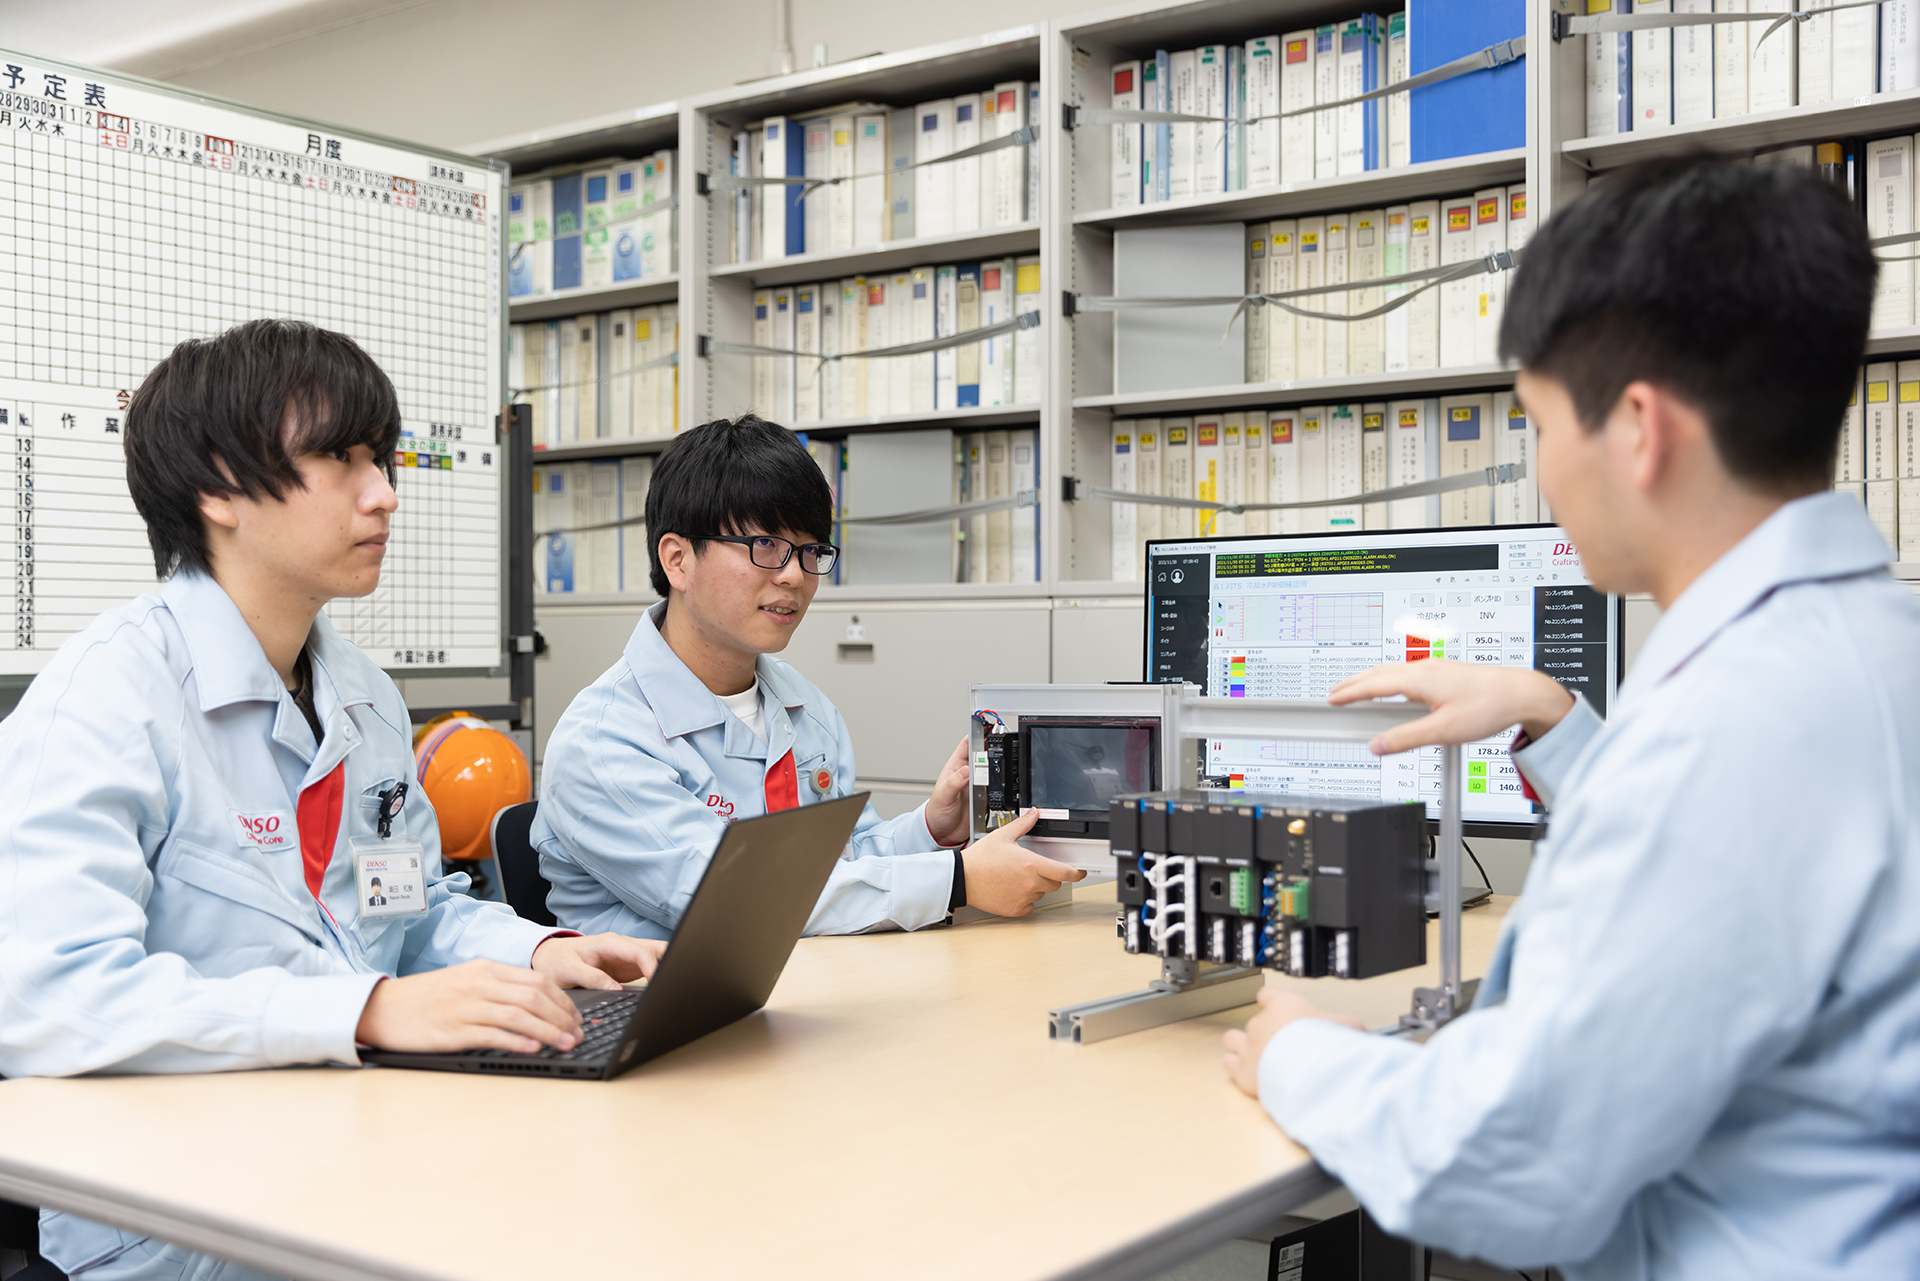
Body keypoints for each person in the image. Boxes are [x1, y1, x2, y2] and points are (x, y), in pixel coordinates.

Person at [1222, 157, 1920, 1277]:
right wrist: (1559, 719)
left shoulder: (1726, 729)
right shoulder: (1872, 652)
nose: (1542, 472)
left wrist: (1301, 1053)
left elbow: (1513, 1164)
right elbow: (1744, 890)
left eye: (1538, 425)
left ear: (1639, 430)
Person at [0, 319, 666, 1281]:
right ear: (217, 486)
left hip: (369, 1152)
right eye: (342, 458)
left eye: (382, 459)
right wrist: (363, 1010)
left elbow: (408, 909)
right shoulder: (106, 698)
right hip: (185, 1225)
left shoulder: (360, 689)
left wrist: (544, 951)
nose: (385, 493)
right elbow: (45, 1003)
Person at [534, 415, 1084, 939]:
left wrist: (932, 830)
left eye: (810, 550)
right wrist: (959, 880)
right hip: (653, 1019)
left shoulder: (803, 705)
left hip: (805, 991)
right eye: (765, 546)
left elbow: (841, 865)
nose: (795, 575)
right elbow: (735, 899)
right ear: (678, 560)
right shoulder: (603, 741)